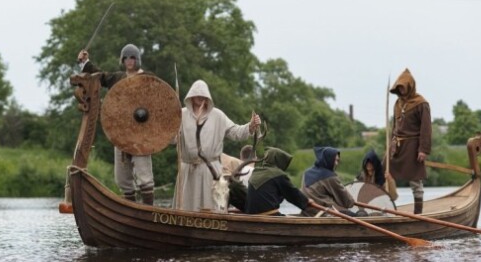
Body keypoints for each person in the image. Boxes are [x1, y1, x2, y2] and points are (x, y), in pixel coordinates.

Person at [76, 44, 155, 205]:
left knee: (144, 175)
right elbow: (101, 77)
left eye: (132, 57)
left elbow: (157, 102)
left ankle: (148, 212)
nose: (129, 61)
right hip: (121, 133)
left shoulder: (147, 78)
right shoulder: (118, 78)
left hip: (141, 134)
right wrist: (85, 62)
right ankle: (131, 211)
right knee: (122, 178)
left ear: (137, 59)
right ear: (122, 60)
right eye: (126, 57)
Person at [172, 80, 260, 211]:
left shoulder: (218, 116)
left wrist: (250, 126)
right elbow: (171, 138)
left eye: (203, 95)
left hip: (211, 170)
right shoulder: (182, 115)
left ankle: (213, 229)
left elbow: (235, 132)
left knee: (213, 208)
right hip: (188, 170)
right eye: (197, 94)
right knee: (186, 208)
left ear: (208, 97)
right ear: (191, 96)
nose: (200, 97)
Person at [388, 68, 432, 214]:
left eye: (403, 86)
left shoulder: (421, 103)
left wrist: (423, 150)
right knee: (382, 170)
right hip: (397, 146)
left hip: (413, 146)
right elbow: (394, 126)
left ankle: (418, 213)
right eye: (398, 87)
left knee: (415, 180)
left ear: (409, 85)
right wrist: (391, 143)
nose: (400, 90)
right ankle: (382, 207)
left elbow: (426, 128)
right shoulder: (397, 103)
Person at [244, 147, 319, 215]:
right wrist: (306, 201)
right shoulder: (277, 174)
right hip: (268, 215)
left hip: (252, 215)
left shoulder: (257, 171)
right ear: (278, 160)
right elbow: (292, 193)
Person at [301, 146, 358, 216]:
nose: (336, 163)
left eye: (338, 161)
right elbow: (348, 202)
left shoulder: (306, 173)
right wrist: (352, 202)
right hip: (322, 213)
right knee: (356, 216)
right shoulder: (330, 177)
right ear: (329, 160)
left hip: (306, 212)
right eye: (335, 160)